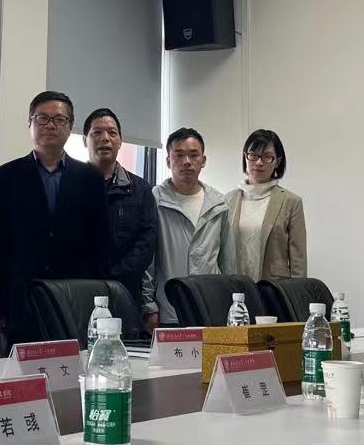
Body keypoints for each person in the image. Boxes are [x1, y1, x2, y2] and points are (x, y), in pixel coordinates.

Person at [0, 91, 109, 344]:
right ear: (30, 123)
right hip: (21, 298)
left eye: (59, 119)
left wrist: (97, 298)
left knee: (74, 364)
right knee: (23, 365)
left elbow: (100, 242)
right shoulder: (5, 177)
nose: (50, 125)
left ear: (70, 126)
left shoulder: (90, 178)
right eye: (42, 118)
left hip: (75, 297)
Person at [83, 108, 158, 332]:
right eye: (97, 133)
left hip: (126, 294)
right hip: (79, 292)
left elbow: (146, 243)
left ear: (121, 141)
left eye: (112, 133)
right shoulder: (71, 184)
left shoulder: (140, 189)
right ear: (85, 139)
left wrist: (114, 277)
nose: (105, 138)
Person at [148, 127, 229, 324]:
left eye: (194, 155)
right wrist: (148, 305)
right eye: (179, 155)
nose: (187, 161)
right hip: (169, 308)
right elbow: (147, 262)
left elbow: (227, 261)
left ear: (203, 160)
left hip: (211, 307)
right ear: (168, 161)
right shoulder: (154, 200)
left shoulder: (219, 203)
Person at [221, 128, 307, 282]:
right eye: (253, 155)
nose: (259, 162)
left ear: (277, 162)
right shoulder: (228, 200)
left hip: (274, 287)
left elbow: (298, 260)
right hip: (235, 286)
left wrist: (298, 291)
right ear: (245, 157)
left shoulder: (291, 202)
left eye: (267, 157)